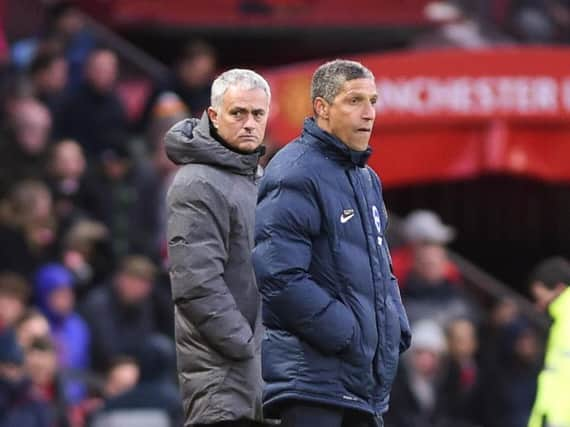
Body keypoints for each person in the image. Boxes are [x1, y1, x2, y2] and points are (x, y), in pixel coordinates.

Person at [253, 59, 411, 427]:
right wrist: (350, 333)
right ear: (322, 108)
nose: (369, 113)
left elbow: (379, 268)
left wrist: (394, 326)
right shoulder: (295, 169)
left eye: (373, 101)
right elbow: (279, 275)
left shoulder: (366, 179)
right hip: (312, 384)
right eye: (354, 101)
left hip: (361, 384)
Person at [165, 68, 270, 426]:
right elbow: (197, 285)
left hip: (257, 380)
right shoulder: (197, 182)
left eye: (258, 114)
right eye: (237, 112)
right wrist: (250, 347)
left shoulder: (257, 179)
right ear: (213, 115)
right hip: (223, 383)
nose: (249, 123)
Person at [527, 256, 570, 427]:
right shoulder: (560, 320)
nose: (539, 305)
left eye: (541, 297)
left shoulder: (565, 320)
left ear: (559, 289)